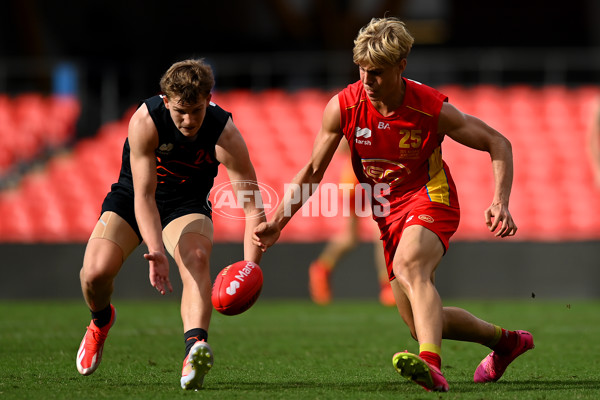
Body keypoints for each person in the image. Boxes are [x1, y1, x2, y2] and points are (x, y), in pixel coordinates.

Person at [253, 17, 533, 392]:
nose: (367, 81)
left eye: (378, 73)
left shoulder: (430, 107)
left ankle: (431, 363)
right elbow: (313, 170)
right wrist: (278, 222)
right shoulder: (344, 106)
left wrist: (501, 200)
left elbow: (498, 142)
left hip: (432, 197)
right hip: (387, 212)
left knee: (409, 266)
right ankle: (506, 342)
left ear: (402, 66)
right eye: (363, 71)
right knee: (420, 322)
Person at [76, 59, 265, 390]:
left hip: (187, 203)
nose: (188, 120)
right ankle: (101, 321)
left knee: (197, 259)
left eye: (196, 109)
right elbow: (144, 196)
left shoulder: (225, 135)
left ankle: (194, 351)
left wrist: (250, 267)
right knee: (94, 274)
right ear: (165, 100)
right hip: (132, 197)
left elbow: (252, 207)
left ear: (208, 98)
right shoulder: (145, 121)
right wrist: (156, 250)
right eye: (180, 111)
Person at [308, 153, 395, 306]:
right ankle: (387, 288)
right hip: (365, 175)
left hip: (356, 176)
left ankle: (321, 269)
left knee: (350, 237)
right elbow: (343, 145)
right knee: (380, 233)